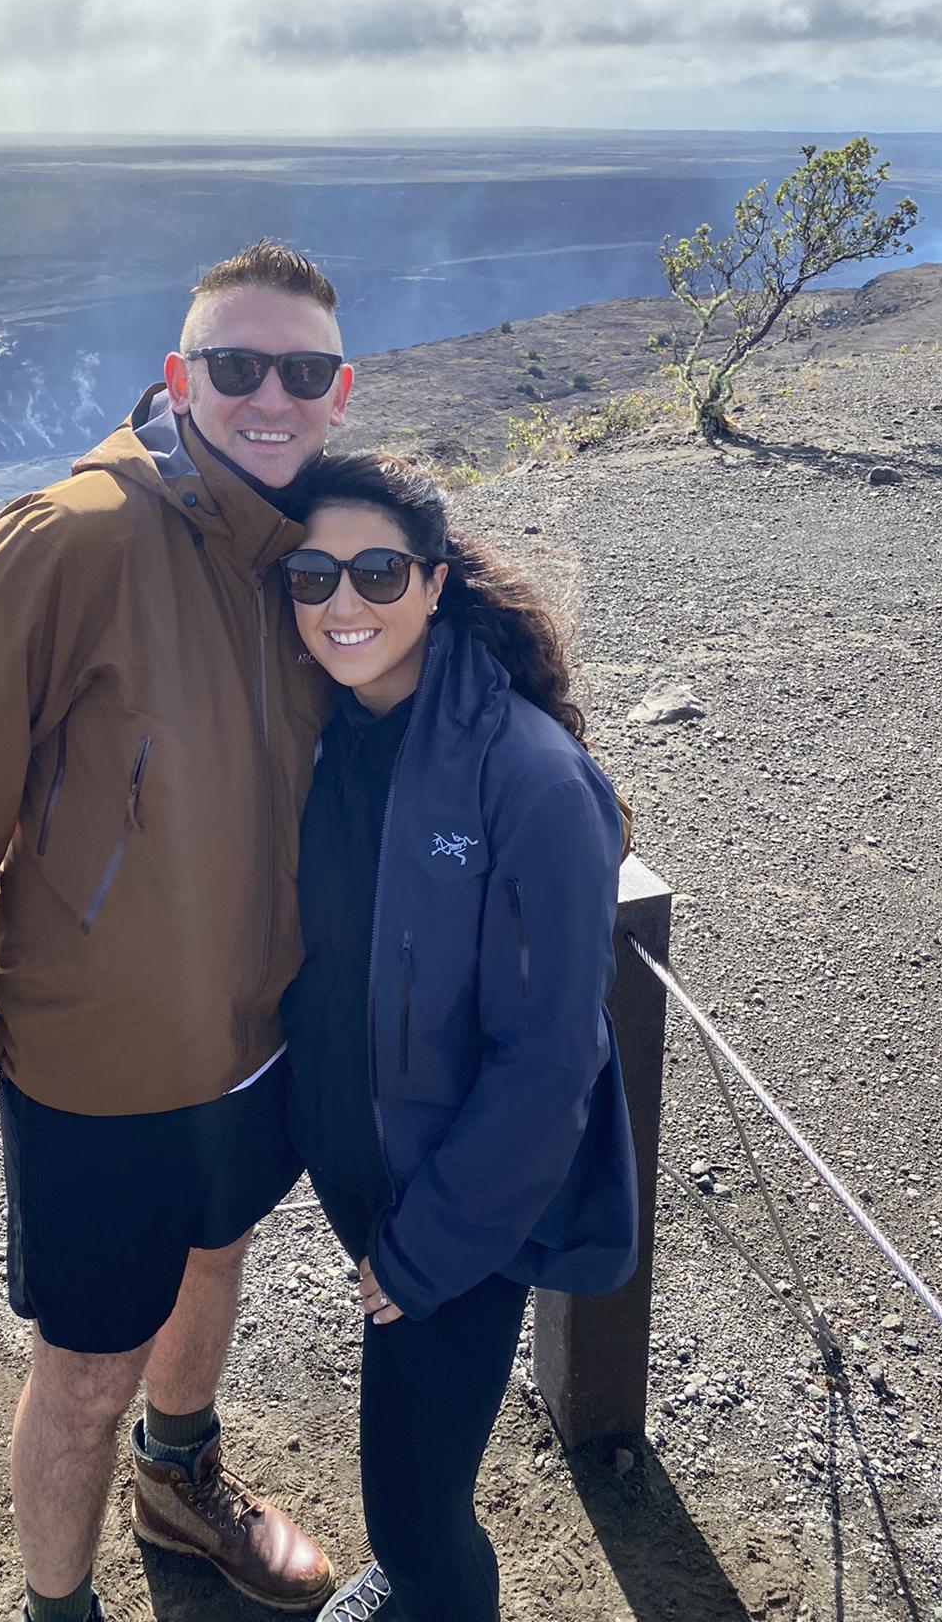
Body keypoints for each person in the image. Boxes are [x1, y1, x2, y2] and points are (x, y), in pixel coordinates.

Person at [0, 241, 354, 1622]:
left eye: (301, 370)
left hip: (263, 1034)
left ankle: (179, 1475)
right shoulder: (76, 536)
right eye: (236, 366)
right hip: (103, 1057)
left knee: (218, 1251)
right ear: (176, 377)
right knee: (85, 1363)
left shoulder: (323, 547)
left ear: (341, 391)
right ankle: (56, 1605)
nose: (270, 394)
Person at [277, 452, 638, 1622]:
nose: (343, 601)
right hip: (371, 1170)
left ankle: (430, 1590)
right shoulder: (329, 727)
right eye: (312, 572)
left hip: (455, 1212)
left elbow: (549, 1062)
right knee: (416, 1482)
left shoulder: (530, 780)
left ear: (435, 582)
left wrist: (427, 1246)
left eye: (378, 571)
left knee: (414, 1506)